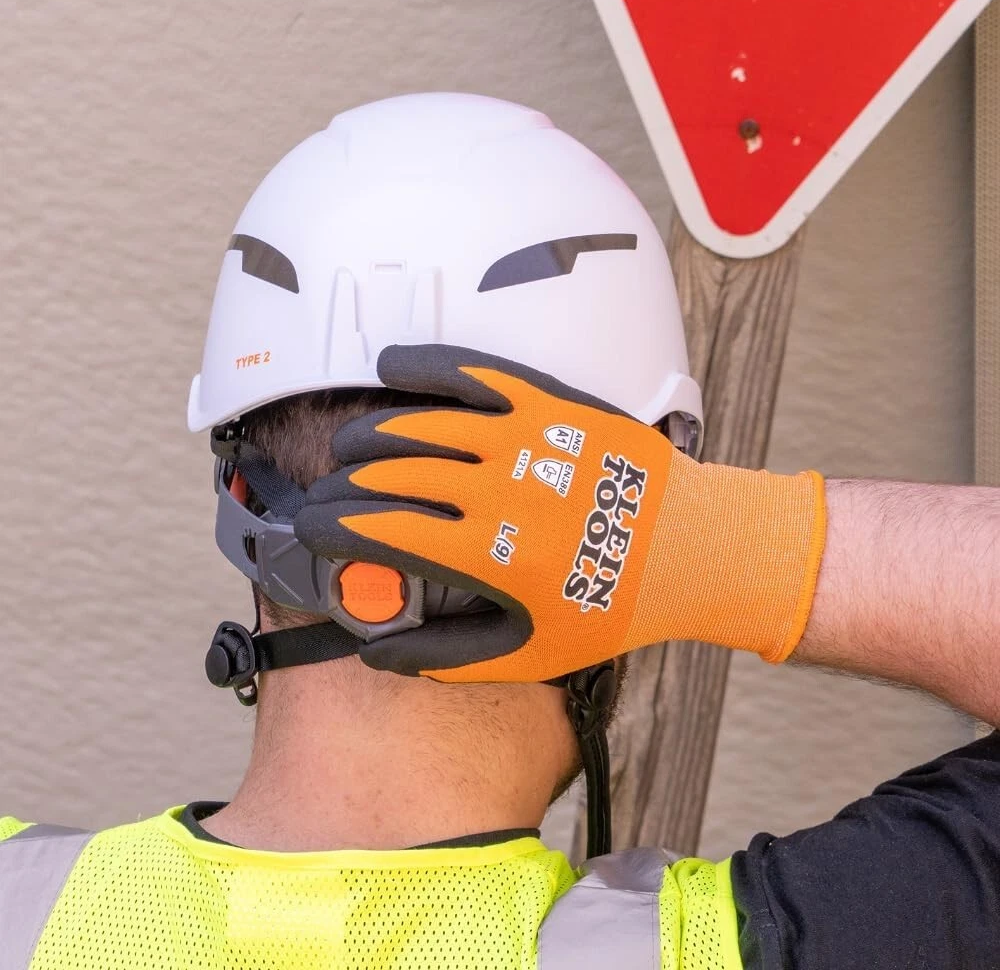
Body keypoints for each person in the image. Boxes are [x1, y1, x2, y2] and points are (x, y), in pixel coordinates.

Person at [1, 92, 996, 970]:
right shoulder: (737, 947)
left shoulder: (19, 906)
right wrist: (718, 543)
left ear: (237, 493)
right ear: (645, 487)